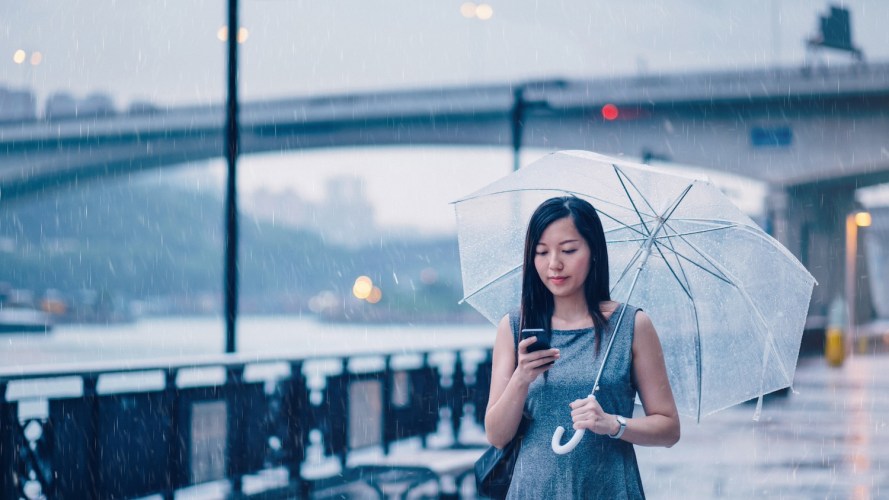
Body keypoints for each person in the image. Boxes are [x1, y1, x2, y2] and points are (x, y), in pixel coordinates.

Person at [484, 196, 680, 499]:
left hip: (609, 490)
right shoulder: (514, 327)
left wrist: (613, 424)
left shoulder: (632, 326)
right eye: (541, 252)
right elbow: (497, 436)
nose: (554, 264)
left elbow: (669, 429)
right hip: (533, 491)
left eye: (568, 250)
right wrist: (521, 378)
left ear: (594, 252)